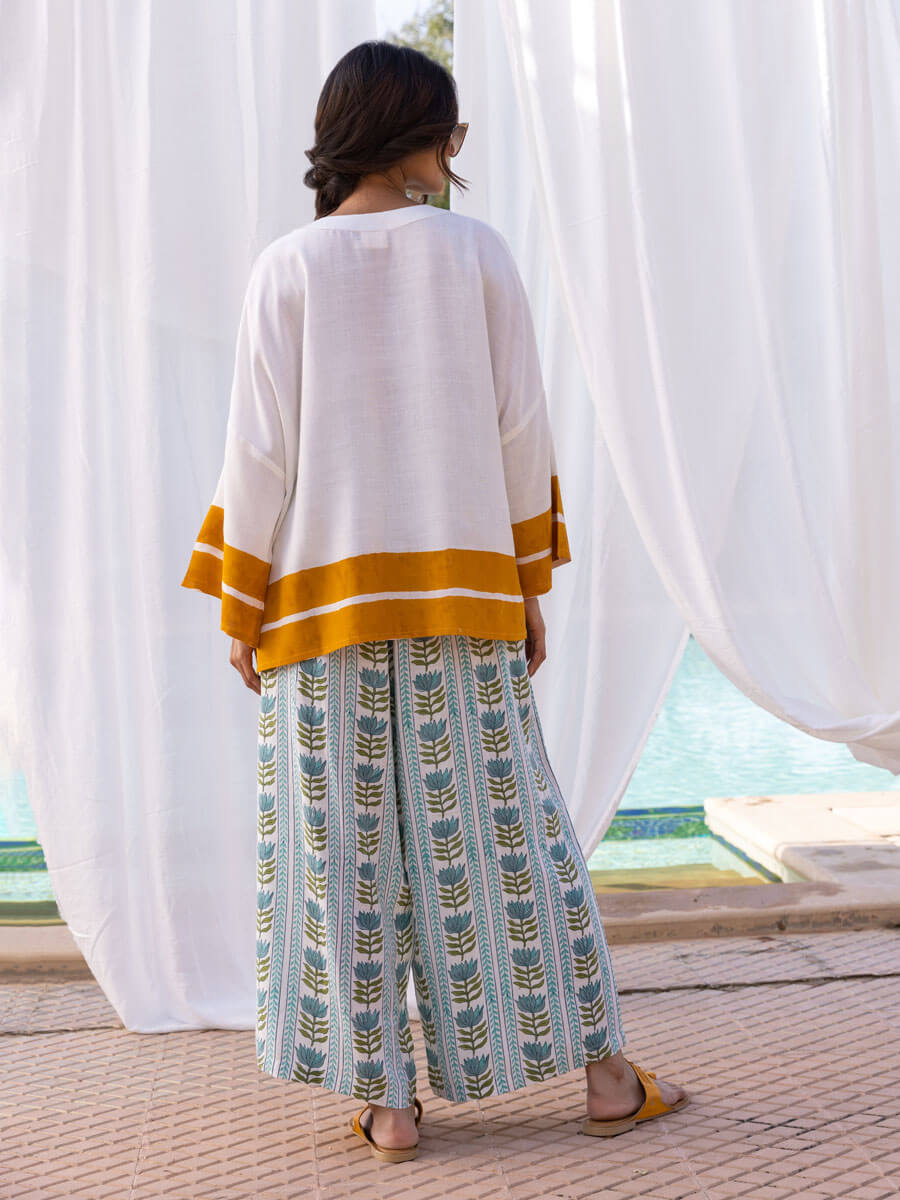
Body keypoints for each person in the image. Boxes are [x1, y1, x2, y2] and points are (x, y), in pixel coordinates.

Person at [181, 40, 689, 1163]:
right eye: (450, 130)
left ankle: (390, 1106)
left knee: (339, 857)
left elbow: (258, 456)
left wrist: (239, 604)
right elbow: (521, 429)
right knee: (510, 841)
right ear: (412, 133)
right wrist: (524, 587)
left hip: (320, 611)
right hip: (466, 599)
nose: (458, 149)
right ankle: (606, 1079)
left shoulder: (287, 268)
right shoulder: (475, 252)